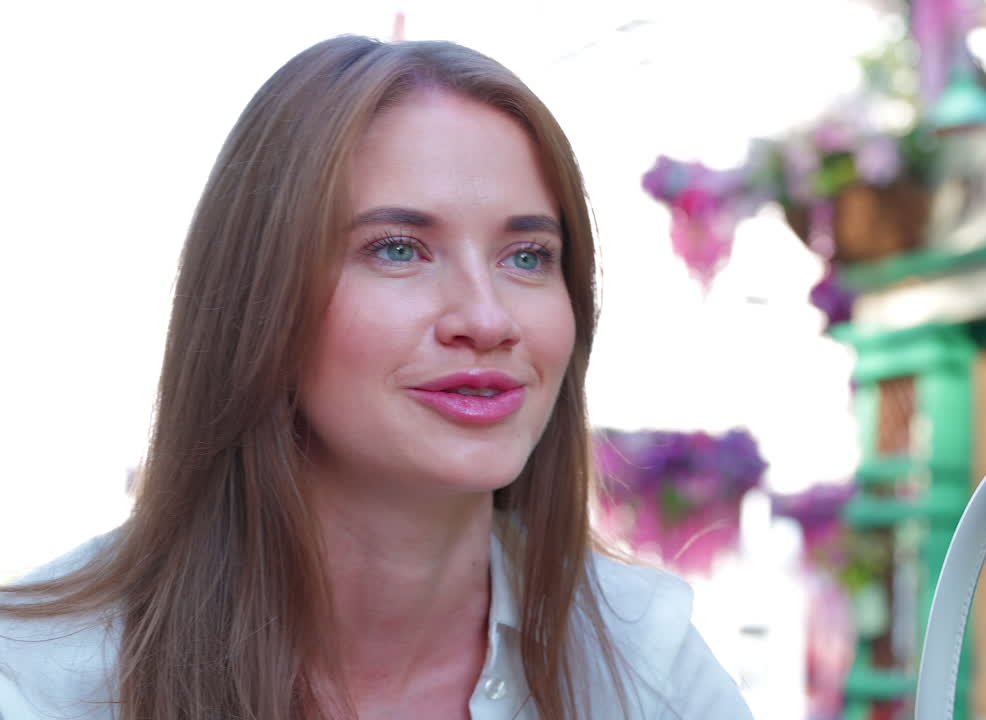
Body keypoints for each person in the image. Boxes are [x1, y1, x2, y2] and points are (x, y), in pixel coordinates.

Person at [0, 35, 753, 720]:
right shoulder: (41, 679)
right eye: (398, 249)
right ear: (263, 295)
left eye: (526, 256)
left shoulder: (646, 665)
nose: (487, 319)